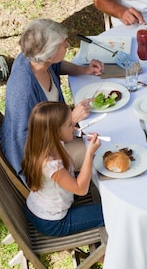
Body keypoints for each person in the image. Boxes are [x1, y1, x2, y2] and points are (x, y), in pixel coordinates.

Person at [0, 19, 104, 179]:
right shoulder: (24, 91)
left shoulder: (35, 58)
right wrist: (72, 119)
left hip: (59, 133)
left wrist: (83, 70)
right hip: (40, 158)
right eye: (63, 44)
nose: (68, 45)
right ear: (48, 54)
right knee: (100, 151)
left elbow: (57, 65)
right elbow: (28, 144)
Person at [22, 101, 104, 236]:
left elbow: (70, 134)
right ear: (55, 132)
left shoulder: (44, 145)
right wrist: (89, 153)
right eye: (69, 125)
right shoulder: (51, 164)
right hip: (54, 222)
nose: (74, 127)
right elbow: (81, 189)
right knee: (112, 211)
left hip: (36, 207)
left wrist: (81, 134)